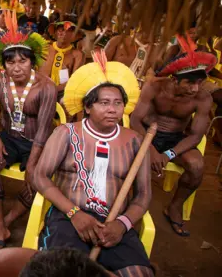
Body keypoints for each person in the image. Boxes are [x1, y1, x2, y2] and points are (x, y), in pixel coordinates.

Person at [32, 51, 153, 277]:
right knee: (61, 273)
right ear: (87, 107)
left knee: (139, 274)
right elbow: (40, 176)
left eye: (118, 103)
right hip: (67, 218)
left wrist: (122, 224)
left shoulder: (136, 141)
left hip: (114, 224)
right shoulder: (65, 133)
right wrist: (74, 213)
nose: (112, 109)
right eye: (104, 103)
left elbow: (143, 194)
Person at [0, 12, 56, 250]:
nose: (16, 67)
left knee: (37, 178)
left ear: (32, 61)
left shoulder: (46, 87)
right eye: (10, 62)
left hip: (38, 142)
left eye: (23, 61)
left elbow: (44, 131)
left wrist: (32, 164)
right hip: (9, 137)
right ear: (4, 64)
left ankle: (8, 220)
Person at [130, 36, 216, 237]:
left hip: (175, 139)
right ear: (175, 79)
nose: (195, 88)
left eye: (200, 83)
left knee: (196, 166)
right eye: (189, 83)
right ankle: (130, 208)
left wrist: (168, 154)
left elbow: (195, 136)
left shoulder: (203, 98)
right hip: (146, 134)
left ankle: (174, 207)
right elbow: (135, 121)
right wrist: (150, 148)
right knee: (129, 162)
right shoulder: (154, 86)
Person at [41, 20, 85, 101]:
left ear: (74, 36)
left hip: (62, 92)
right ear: (55, 32)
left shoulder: (77, 54)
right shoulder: (45, 47)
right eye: (61, 30)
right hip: (39, 87)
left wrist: (55, 90)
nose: (64, 34)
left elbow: (75, 79)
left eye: (69, 31)